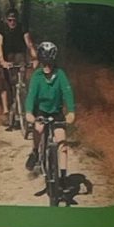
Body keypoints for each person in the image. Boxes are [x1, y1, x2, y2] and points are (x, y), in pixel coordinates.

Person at [21, 36, 76, 194]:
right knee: (38, 129)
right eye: (44, 63)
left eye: (49, 63)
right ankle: (35, 151)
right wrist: (29, 112)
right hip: (41, 111)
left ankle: (63, 177)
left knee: (62, 143)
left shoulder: (60, 74)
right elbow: (31, 96)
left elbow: (67, 92)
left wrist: (71, 111)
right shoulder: (37, 76)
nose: (47, 66)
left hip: (56, 112)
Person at [0, 0, 31, 126]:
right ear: (6, 20)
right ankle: (5, 111)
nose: (12, 22)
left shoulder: (22, 27)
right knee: (5, 83)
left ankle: (23, 108)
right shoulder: (1, 28)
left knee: (22, 81)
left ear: (17, 20)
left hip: (19, 54)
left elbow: (29, 43)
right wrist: (2, 61)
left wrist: (35, 57)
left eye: (14, 20)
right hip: (6, 55)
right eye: (10, 20)